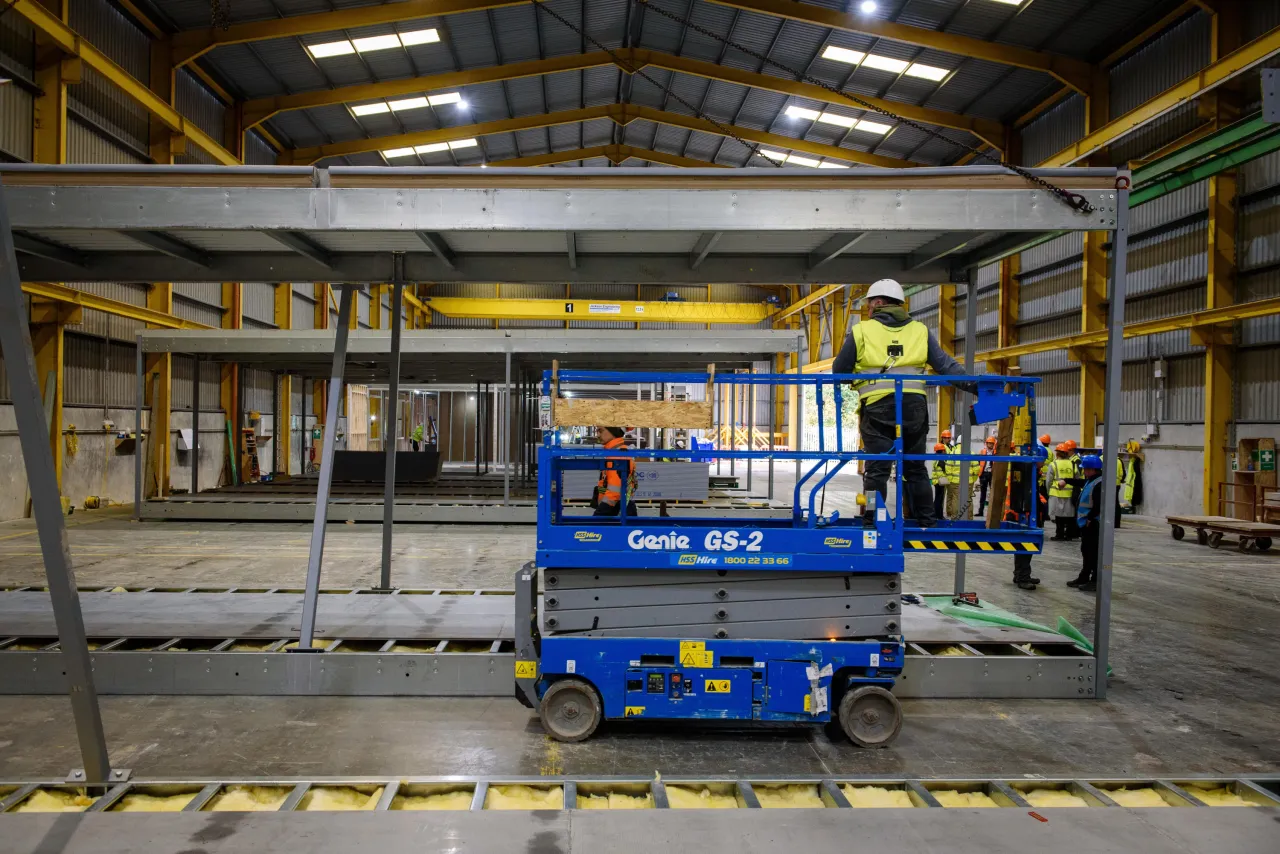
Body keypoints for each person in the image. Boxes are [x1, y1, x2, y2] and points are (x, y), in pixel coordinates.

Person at [832, 278, 966, 528]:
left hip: (878, 408)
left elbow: (839, 371)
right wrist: (975, 384)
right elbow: (947, 366)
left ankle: (872, 518)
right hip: (914, 410)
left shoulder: (862, 331)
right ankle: (927, 519)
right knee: (916, 468)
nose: (868, 310)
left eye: (870, 304)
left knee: (877, 471)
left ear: (879, 302)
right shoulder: (920, 331)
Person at [1069, 455, 1105, 591]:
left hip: (1093, 524)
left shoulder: (1099, 483)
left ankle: (1095, 581)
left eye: (1085, 469)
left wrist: (1090, 518)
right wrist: (1065, 481)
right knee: (1086, 551)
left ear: (1092, 469)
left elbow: (1098, 504)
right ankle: (1084, 577)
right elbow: (1079, 483)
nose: (1084, 472)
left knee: (1093, 553)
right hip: (1087, 523)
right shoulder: (1092, 480)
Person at [592, 426, 637, 518]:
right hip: (617, 508)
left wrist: (600, 513)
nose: (598, 435)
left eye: (600, 431)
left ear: (614, 432)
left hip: (617, 510)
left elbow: (615, 491)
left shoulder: (618, 455)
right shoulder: (613, 453)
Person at [1047, 443, 1077, 541]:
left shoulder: (1054, 464)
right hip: (1069, 493)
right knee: (1068, 516)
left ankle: (1059, 534)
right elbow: (1076, 478)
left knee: (1058, 516)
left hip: (1056, 493)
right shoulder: (1073, 464)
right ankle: (1068, 535)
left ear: (1057, 453)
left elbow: (1049, 480)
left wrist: (1048, 491)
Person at [943, 438, 980, 520]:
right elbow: (976, 469)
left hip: (955, 482)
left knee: (956, 499)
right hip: (968, 482)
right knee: (968, 500)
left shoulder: (952, 453)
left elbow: (948, 467)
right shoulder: (971, 454)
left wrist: (951, 479)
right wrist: (973, 479)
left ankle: (954, 518)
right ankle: (969, 519)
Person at [977, 436, 996, 516]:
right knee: (983, 494)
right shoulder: (982, 452)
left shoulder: (995, 453)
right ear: (986, 444)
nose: (990, 445)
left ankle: (992, 513)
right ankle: (980, 512)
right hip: (984, 474)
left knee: (993, 493)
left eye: (992, 443)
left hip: (992, 474)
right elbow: (978, 462)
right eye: (989, 443)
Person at [931, 442, 949, 520]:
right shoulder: (941, 460)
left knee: (938, 499)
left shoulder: (936, 459)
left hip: (936, 481)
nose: (945, 452)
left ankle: (936, 514)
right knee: (939, 500)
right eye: (944, 450)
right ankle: (939, 515)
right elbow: (944, 471)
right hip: (940, 482)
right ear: (942, 451)